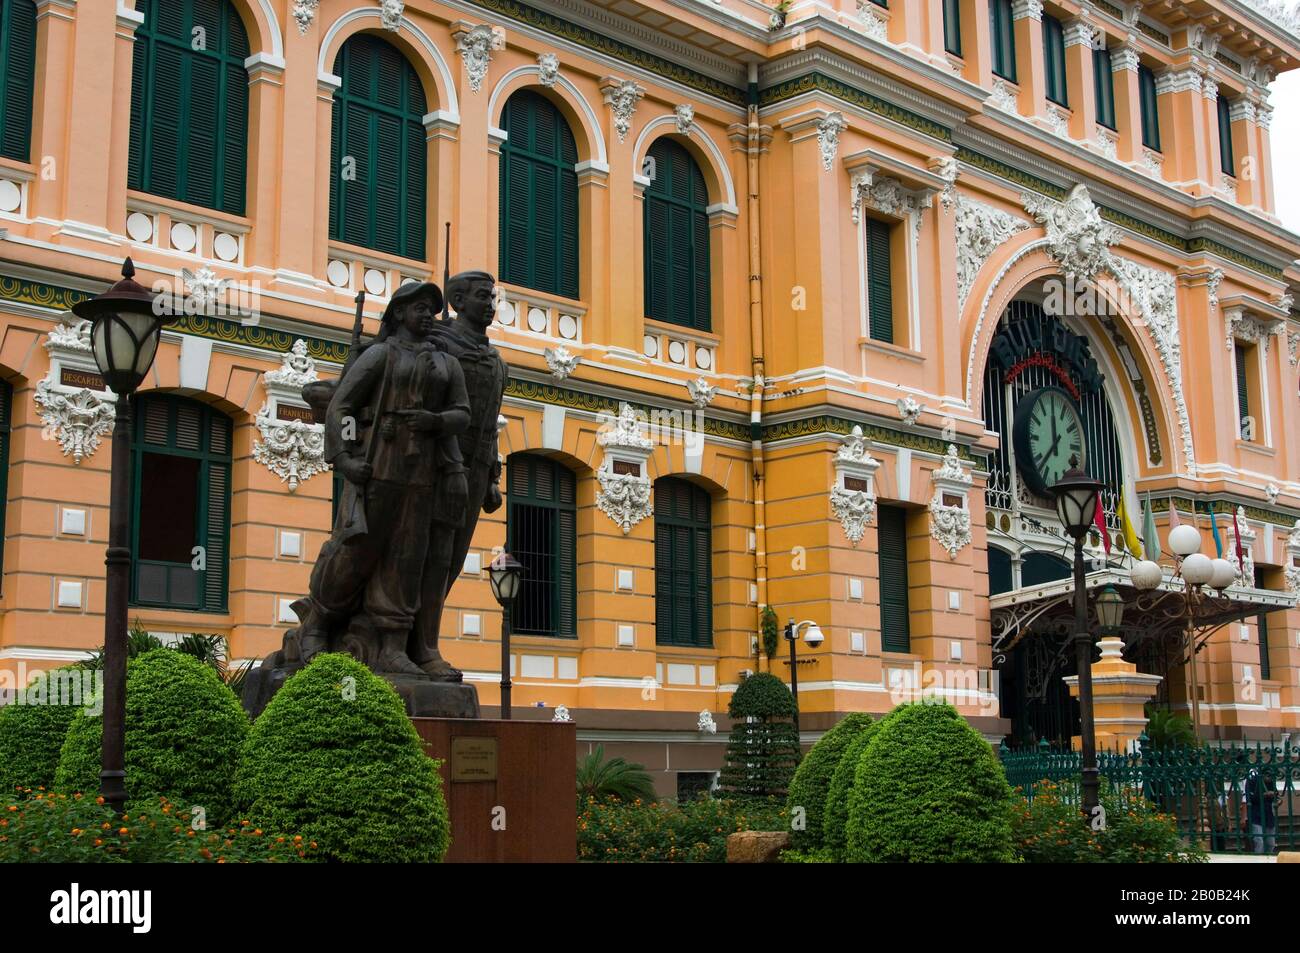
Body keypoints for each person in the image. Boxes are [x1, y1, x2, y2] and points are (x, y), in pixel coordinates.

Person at [289, 281, 470, 676]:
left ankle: (391, 645)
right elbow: (341, 406)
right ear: (399, 313)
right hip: (378, 467)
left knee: (407, 557)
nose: (426, 315)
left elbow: (462, 414)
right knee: (357, 550)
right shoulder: (379, 355)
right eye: (418, 307)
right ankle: (318, 623)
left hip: (421, 474)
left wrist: (434, 421)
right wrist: (344, 459)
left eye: (431, 310)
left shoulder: (447, 364)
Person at [411, 271, 507, 679]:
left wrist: (491, 477)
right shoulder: (438, 346)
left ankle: (422, 640)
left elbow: (491, 422)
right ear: (458, 300)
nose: (490, 304)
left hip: (476, 468)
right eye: (483, 297)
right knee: (427, 554)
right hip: (436, 466)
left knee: (449, 560)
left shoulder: (495, 360)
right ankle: (418, 645)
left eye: (492, 298)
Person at [1243, 764, 1277, 855]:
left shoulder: (1271, 783)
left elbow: (1275, 796)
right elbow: (1250, 798)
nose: (1270, 778)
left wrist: (1276, 798)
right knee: (1259, 842)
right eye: (1268, 776)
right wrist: (1264, 795)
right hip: (1256, 816)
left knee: (1271, 843)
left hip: (1268, 816)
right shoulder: (1253, 782)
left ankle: (1268, 859)